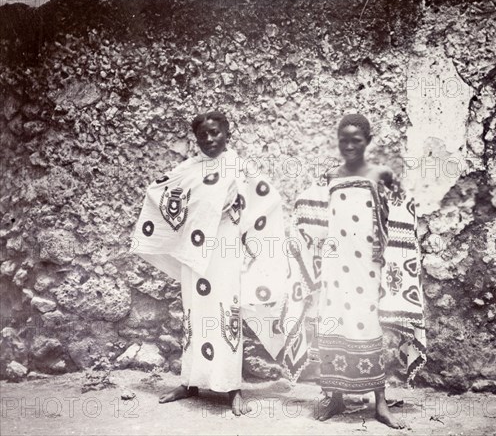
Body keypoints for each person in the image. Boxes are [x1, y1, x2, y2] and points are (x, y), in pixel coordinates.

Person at [131, 111, 286, 415]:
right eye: (204, 135)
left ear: (228, 134)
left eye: (216, 133)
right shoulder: (188, 170)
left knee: (226, 313)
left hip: (226, 252)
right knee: (195, 314)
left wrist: (238, 209)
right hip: (196, 254)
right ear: (197, 138)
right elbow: (159, 193)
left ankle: (232, 388)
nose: (210, 139)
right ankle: (190, 382)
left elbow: (268, 201)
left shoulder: (240, 170)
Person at [281, 114, 427, 428]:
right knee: (332, 325)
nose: (349, 145)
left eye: (356, 140)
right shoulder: (331, 176)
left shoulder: (381, 174)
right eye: (343, 139)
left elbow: (402, 212)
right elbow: (315, 211)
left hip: (367, 266)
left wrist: (387, 245)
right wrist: (300, 228)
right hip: (335, 266)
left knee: (367, 326)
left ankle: (380, 403)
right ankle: (335, 396)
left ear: (367, 141)